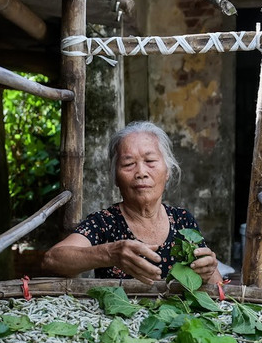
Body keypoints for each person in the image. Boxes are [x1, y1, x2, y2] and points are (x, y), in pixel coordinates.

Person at [42, 121, 223, 286]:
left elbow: (218, 285)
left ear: (167, 171)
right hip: (119, 312)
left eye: (150, 161)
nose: (141, 172)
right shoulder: (104, 223)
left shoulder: (182, 220)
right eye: (128, 164)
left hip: (177, 312)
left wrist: (208, 271)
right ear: (116, 177)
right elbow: (51, 260)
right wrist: (110, 253)